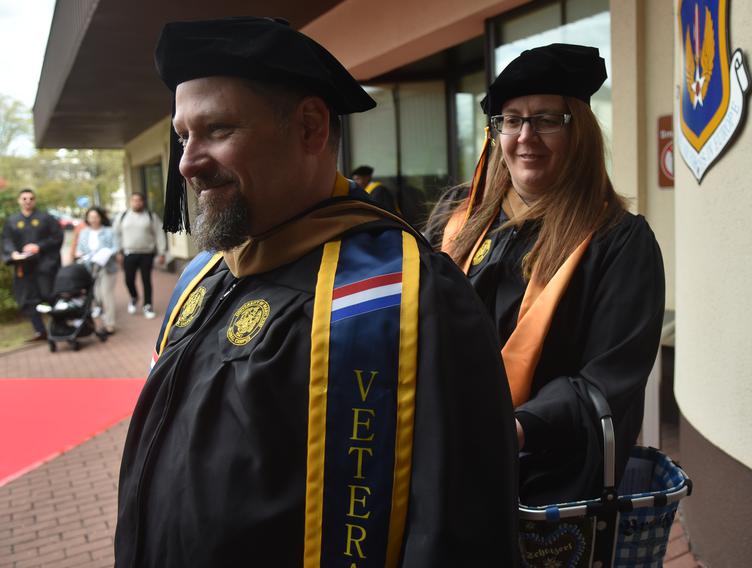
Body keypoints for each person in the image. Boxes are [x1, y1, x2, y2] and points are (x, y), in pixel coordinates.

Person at [114, 17, 518, 568]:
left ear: (309, 127)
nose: (188, 162)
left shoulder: (410, 299)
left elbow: (461, 537)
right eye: (183, 135)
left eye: (218, 130)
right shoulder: (206, 279)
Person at [429, 44, 666, 508]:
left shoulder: (618, 243)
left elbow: (608, 377)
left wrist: (515, 428)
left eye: (546, 119)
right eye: (511, 120)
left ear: (578, 130)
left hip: (544, 480)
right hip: (443, 458)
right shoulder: (458, 219)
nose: (525, 136)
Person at [1, 188, 63, 340]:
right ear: (19, 201)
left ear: (35, 200)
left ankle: (60, 326)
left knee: (48, 295)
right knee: (27, 299)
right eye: (24, 198)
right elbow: (6, 240)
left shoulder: (46, 218)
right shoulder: (13, 221)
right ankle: (40, 331)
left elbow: (57, 237)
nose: (27, 201)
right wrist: (13, 253)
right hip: (23, 267)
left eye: (31, 198)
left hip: (44, 265)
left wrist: (39, 246)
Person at [113, 192, 166, 319]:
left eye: (139, 200)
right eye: (134, 200)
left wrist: (162, 252)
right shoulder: (122, 216)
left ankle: (148, 305)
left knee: (146, 280)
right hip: (128, 253)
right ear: (130, 202)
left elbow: (159, 234)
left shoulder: (150, 216)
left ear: (143, 202)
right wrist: (118, 252)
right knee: (128, 280)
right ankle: (134, 296)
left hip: (146, 254)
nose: (137, 202)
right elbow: (115, 235)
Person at [75, 207, 118, 334]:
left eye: (96, 216)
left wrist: (107, 252)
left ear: (101, 218)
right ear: (87, 218)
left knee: (106, 295)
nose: (94, 219)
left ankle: (110, 324)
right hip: (90, 267)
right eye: (91, 217)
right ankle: (104, 315)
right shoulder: (84, 233)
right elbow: (80, 248)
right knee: (97, 296)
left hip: (106, 267)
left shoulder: (109, 231)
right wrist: (81, 254)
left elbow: (116, 246)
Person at [352, 165, 427, 228]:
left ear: (367, 178)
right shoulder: (367, 191)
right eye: (354, 179)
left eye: (358, 179)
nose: (356, 182)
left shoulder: (379, 191)